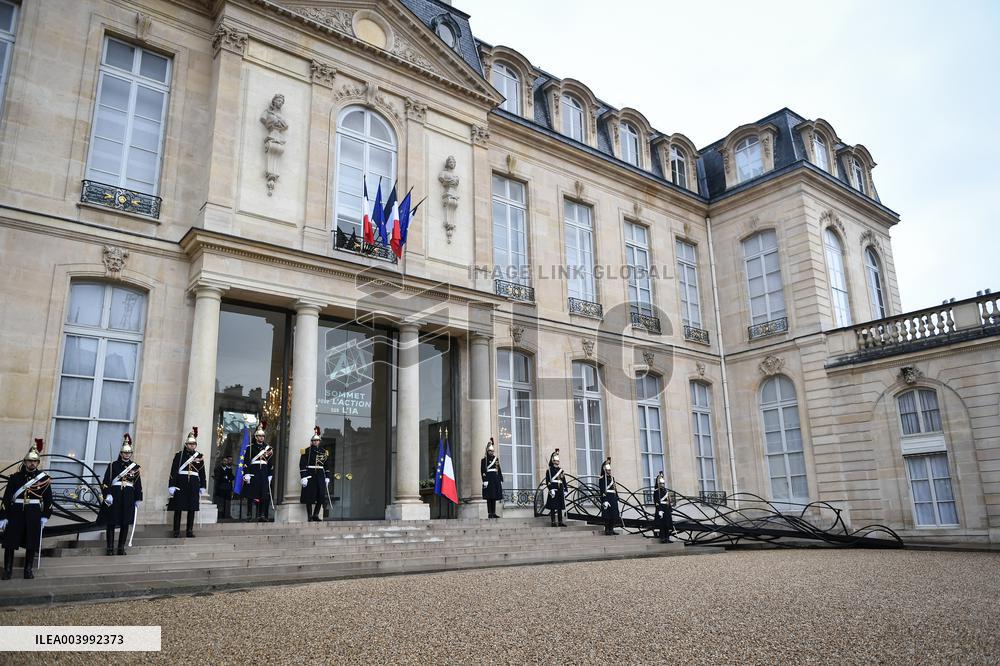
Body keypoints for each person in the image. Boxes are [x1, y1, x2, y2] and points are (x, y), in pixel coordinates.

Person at [1, 439, 52, 580]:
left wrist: (45, 515)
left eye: (34, 461)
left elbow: (48, 500)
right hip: (16, 511)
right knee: (10, 542)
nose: (32, 463)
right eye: (29, 461)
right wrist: (3, 516)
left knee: (31, 542)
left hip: (34, 512)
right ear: (24, 462)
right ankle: (7, 570)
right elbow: (6, 499)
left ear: (38, 463)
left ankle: (28, 570)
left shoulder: (44, 479)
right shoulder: (15, 478)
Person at [99, 434, 143, 555]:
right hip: (115, 495)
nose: (127, 454)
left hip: (129, 496)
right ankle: (110, 548)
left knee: (125, 522)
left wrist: (138, 498)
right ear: (121, 453)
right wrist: (107, 494)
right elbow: (105, 482)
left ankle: (121, 548)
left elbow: (138, 484)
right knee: (111, 522)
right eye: (125, 452)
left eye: (129, 453)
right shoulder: (113, 465)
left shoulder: (135, 467)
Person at [168, 427, 206, 538]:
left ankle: (189, 530)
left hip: (194, 483)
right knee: (178, 507)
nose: (192, 446)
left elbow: (202, 472)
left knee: (192, 508)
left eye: (194, 444)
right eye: (190, 444)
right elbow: (173, 471)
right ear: (186, 444)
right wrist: (171, 485)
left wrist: (203, 485)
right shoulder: (179, 456)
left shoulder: (199, 456)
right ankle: (176, 530)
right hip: (181, 483)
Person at [242, 421, 274, 522]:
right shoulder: (250, 448)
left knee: (263, 495)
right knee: (251, 495)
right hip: (253, 472)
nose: (261, 438)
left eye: (263, 436)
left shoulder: (268, 448)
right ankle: (249, 514)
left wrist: (270, 474)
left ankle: (262, 515)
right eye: (259, 436)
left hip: (263, 473)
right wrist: (246, 473)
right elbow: (246, 461)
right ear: (256, 437)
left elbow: (270, 463)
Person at [299, 426, 329, 522]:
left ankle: (316, 514)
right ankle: (309, 516)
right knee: (309, 496)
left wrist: (327, 477)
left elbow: (326, 465)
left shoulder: (324, 452)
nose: (316, 442)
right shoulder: (306, 451)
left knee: (320, 496)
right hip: (310, 474)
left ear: (319, 441)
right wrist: (303, 477)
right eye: (314, 440)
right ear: (312, 441)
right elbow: (302, 464)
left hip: (320, 474)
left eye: (317, 440)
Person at [544, 448, 568, 528]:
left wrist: (565, 489)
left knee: (560, 507)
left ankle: (560, 521)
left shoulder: (561, 470)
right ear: (553, 461)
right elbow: (548, 481)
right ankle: (553, 521)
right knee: (553, 507)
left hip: (560, 489)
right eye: (556, 461)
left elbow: (563, 480)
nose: (558, 462)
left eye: (558, 461)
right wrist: (551, 489)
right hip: (553, 489)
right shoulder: (549, 471)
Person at [480, 437, 503, 519]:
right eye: (490, 451)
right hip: (488, 479)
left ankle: (494, 512)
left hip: (495, 479)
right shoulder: (484, 460)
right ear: (487, 451)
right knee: (489, 497)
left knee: (494, 496)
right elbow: (482, 471)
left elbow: (498, 469)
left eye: (493, 451)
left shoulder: (496, 459)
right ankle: (490, 513)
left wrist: (500, 479)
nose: (492, 452)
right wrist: (484, 480)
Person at [599, 457, 620, 536]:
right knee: (607, 515)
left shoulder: (612, 478)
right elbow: (602, 490)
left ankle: (611, 529)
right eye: (608, 470)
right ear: (605, 470)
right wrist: (604, 500)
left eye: (610, 470)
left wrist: (617, 497)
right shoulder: (602, 479)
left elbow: (615, 488)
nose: (609, 471)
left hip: (613, 497)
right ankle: (607, 529)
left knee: (614, 514)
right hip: (607, 497)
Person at [652, 471, 674, 543]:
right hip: (661, 508)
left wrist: (670, 508)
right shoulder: (656, 491)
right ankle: (662, 538)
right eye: (661, 483)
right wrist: (659, 510)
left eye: (663, 483)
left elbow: (668, 500)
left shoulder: (666, 491)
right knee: (662, 524)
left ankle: (667, 537)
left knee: (667, 524)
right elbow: (656, 501)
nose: (662, 484)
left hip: (666, 508)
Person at [213, 454, 235, 521]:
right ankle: (220, 515)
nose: (225, 462)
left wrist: (227, 478)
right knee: (220, 502)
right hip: (221, 488)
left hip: (228, 488)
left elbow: (232, 477)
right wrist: (226, 478)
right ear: (221, 461)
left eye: (226, 461)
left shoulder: (229, 469)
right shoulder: (218, 468)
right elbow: (218, 477)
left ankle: (227, 515)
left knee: (227, 502)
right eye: (224, 461)